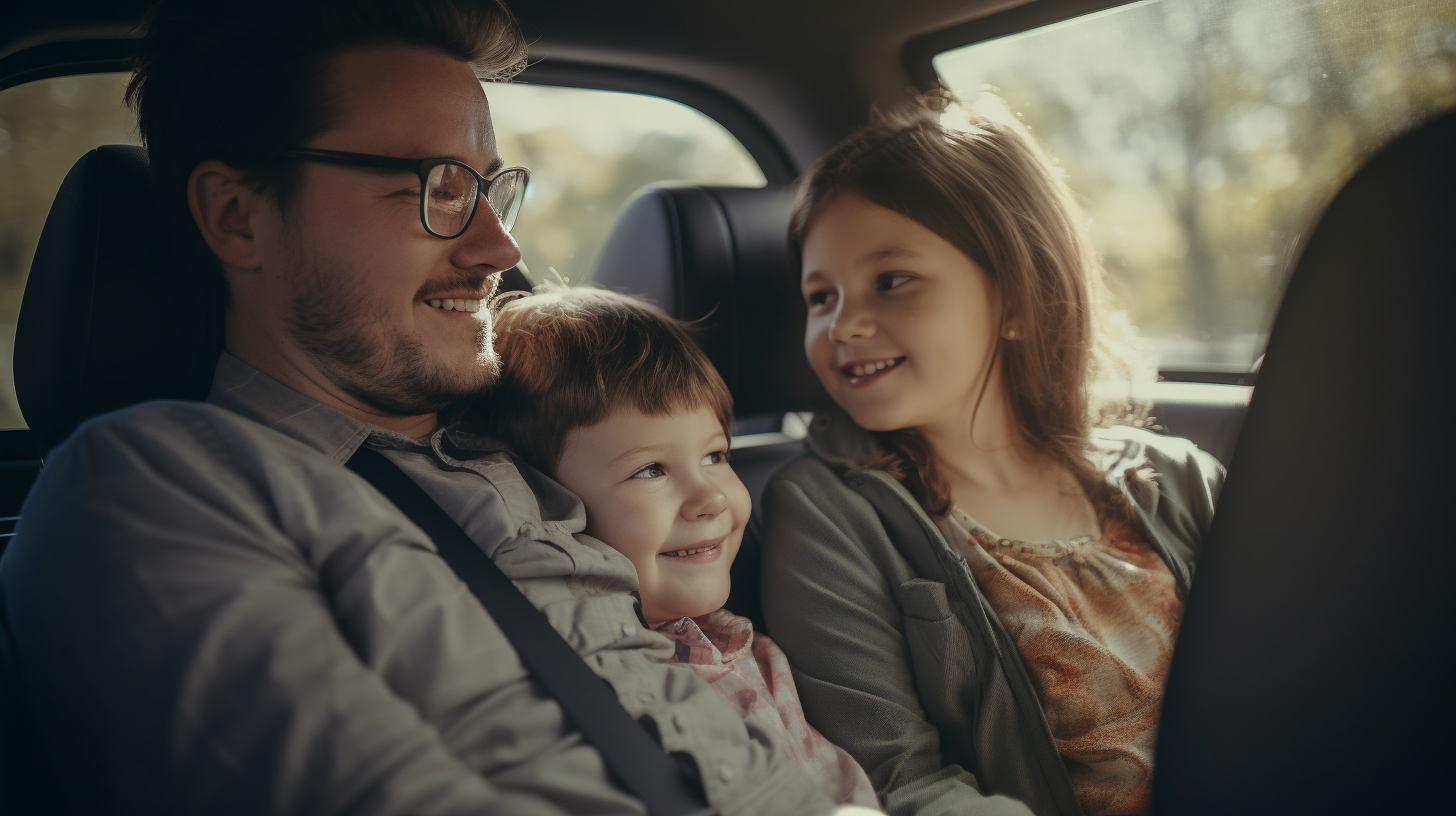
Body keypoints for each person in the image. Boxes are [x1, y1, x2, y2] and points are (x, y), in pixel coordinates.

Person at [0, 1, 851, 814]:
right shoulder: (154, 488)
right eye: (437, 187)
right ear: (238, 217)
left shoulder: (538, 449)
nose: (499, 247)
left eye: (488, 187)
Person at [759, 95, 1225, 816]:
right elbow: (900, 781)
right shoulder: (830, 514)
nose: (843, 324)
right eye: (820, 297)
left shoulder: (1178, 479)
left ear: (1017, 298)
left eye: (891, 280)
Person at [464, 285, 881, 810]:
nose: (709, 498)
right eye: (651, 470)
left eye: (714, 455)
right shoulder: (602, 689)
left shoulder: (751, 648)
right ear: (548, 508)